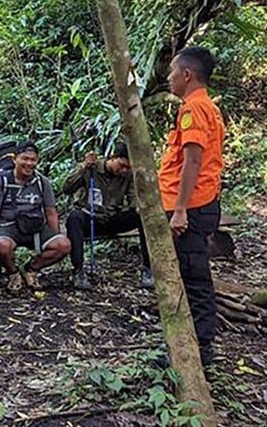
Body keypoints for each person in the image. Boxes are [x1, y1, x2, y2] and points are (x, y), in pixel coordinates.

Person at [157, 46, 226, 365]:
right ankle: (187, 343)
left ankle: (200, 350)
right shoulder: (205, 106)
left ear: (187, 75)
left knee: (193, 276)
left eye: (172, 72)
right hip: (197, 203)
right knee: (187, 274)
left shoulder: (194, 110)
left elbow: (193, 159)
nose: (169, 78)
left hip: (192, 206)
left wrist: (181, 209)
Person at [0, 141, 71, 291]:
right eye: (25, 159)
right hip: (8, 226)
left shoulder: (42, 182)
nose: (29, 163)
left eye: (33, 160)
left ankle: (31, 269)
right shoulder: (2, 181)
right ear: (14, 159)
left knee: (63, 245)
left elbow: (51, 212)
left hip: (34, 225)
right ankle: (13, 273)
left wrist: (54, 237)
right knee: (1, 245)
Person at [62, 143, 150, 290]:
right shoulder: (92, 168)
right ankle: (78, 271)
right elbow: (67, 188)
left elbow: (133, 198)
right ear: (112, 157)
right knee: (74, 217)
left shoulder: (128, 175)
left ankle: (147, 269)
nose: (124, 170)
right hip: (91, 218)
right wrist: (83, 167)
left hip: (113, 218)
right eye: (122, 165)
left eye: (128, 168)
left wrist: (139, 208)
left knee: (141, 217)